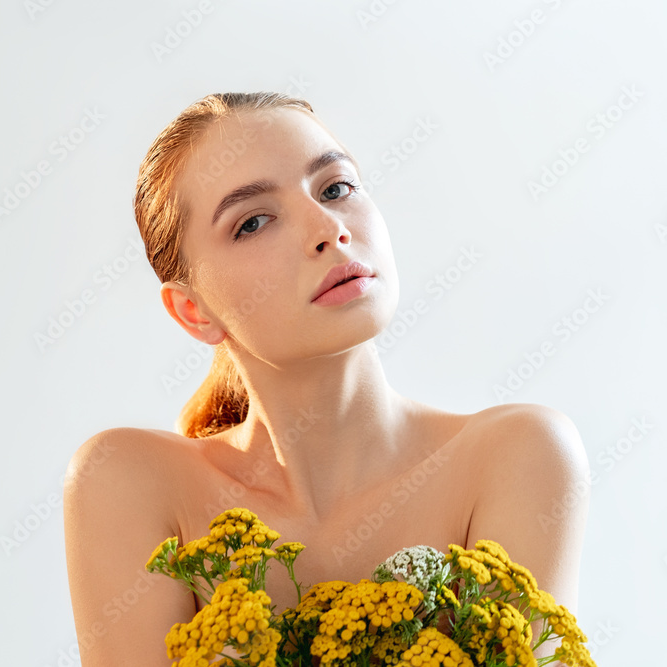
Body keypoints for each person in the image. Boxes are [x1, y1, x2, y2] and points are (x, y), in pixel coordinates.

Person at [63, 91, 591, 665]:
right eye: (254, 222)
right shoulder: (129, 481)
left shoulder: (519, 455)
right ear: (194, 311)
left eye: (335, 188)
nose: (327, 228)